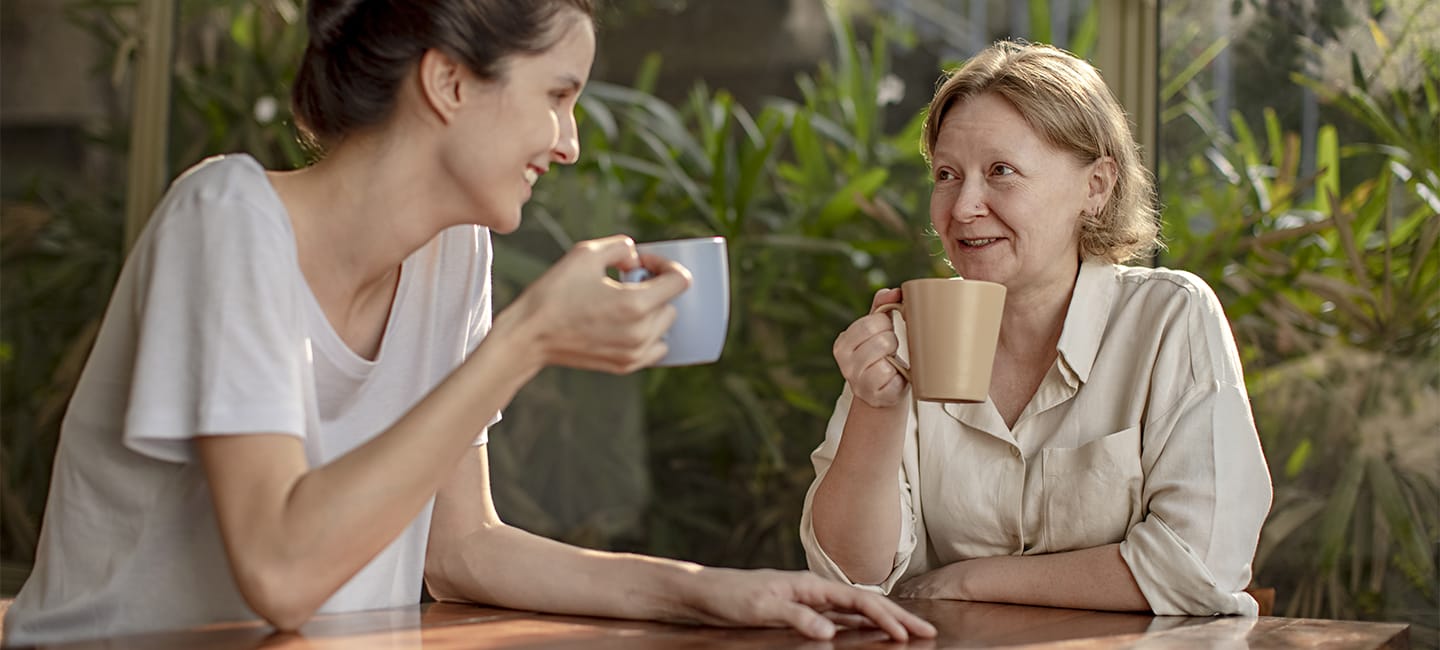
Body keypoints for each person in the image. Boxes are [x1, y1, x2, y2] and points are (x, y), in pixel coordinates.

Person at [2, 1, 937, 645]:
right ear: (450, 83)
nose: (569, 142)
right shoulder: (226, 221)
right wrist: (525, 341)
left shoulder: (452, 256)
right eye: (558, 95)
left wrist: (711, 591)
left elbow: (461, 549)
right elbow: (281, 571)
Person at [800, 40, 1272, 616]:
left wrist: (974, 580)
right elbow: (851, 577)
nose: (965, 205)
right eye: (947, 174)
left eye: (1001, 171)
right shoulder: (909, 333)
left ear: (1095, 187)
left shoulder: (1169, 317)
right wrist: (877, 408)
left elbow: (1199, 564)